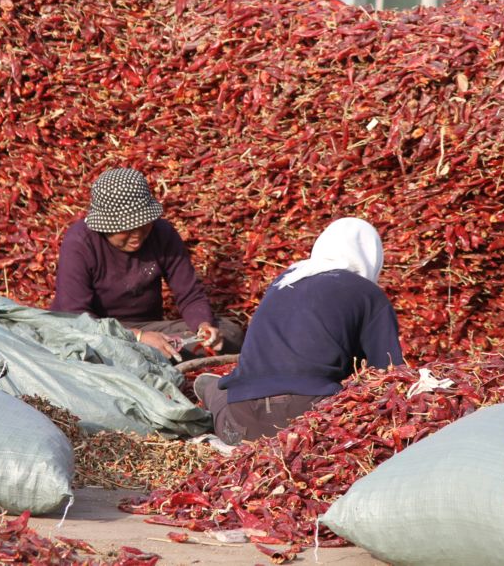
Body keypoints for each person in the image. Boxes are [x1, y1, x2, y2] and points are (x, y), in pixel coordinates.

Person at [194, 217, 402, 444]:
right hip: (310, 423)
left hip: (243, 423)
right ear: (372, 257)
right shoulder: (368, 294)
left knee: (221, 393)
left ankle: (213, 391)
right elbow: (389, 376)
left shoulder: (286, 279)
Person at [50, 167, 243, 360]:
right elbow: (75, 316)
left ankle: (152, 357)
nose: (137, 236)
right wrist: (138, 338)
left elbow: (190, 294)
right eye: (126, 229)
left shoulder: (162, 233)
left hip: (146, 326)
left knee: (229, 334)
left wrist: (204, 327)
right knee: (91, 354)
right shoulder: (81, 243)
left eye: (144, 225)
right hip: (93, 331)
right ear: (105, 226)